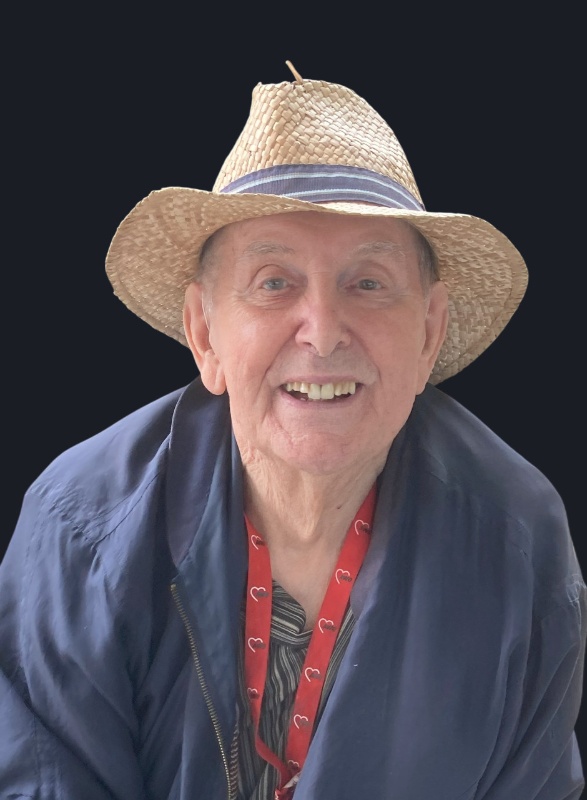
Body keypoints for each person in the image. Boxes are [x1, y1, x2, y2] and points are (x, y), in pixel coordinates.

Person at [1, 60, 585, 800]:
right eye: (274, 282)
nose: (323, 330)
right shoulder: (80, 529)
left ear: (428, 333)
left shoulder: (515, 542)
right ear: (205, 333)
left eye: (367, 283)